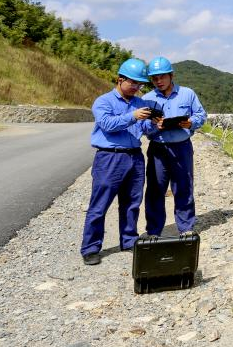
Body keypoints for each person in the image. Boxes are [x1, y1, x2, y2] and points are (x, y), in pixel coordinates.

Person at [80, 58, 152, 265]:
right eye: (133, 83)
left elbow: (144, 129)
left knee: (132, 203)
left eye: (140, 84)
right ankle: (91, 247)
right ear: (120, 79)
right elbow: (107, 124)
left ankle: (129, 240)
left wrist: (156, 125)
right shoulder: (103, 101)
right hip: (109, 157)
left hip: (135, 156)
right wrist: (133, 116)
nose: (137, 87)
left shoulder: (140, 103)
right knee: (99, 204)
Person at [142, 56, 206, 236]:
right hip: (158, 150)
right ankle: (154, 231)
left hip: (182, 147)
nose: (158, 81)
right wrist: (155, 126)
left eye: (162, 76)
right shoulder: (146, 99)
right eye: (154, 78)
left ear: (171, 75)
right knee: (155, 189)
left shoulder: (188, 94)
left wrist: (191, 122)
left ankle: (186, 228)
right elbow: (142, 127)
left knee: (184, 187)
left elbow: (201, 114)